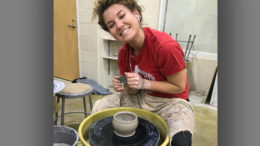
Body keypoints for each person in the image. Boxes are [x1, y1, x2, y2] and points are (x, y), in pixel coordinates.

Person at [91, 0, 194, 146]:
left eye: (122, 16)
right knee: (99, 108)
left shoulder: (165, 47)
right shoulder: (123, 54)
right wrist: (127, 87)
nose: (119, 25)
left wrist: (144, 83)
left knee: (180, 142)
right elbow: (133, 92)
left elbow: (179, 87)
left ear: (136, 15)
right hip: (141, 97)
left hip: (171, 102)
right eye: (111, 25)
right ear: (111, 33)